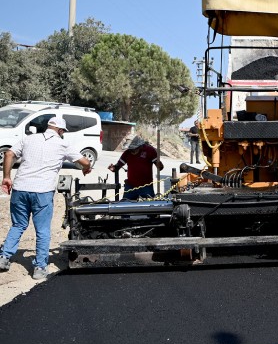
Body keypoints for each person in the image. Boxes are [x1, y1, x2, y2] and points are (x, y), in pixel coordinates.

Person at [0, 117, 92, 279]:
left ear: (48, 127)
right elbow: (84, 161)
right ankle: (40, 267)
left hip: (20, 189)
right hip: (42, 191)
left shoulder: (28, 139)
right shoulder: (63, 144)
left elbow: (9, 154)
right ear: (61, 131)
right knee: (42, 230)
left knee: (18, 224)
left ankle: (4, 257)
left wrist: (6, 177)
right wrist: (86, 168)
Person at [108, 136, 164, 200]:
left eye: (134, 149)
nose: (132, 151)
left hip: (146, 186)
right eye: (131, 149)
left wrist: (159, 165)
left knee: (148, 206)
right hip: (130, 186)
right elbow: (118, 166)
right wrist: (114, 168)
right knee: (125, 206)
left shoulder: (150, 151)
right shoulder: (127, 153)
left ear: (140, 146)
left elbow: (160, 167)